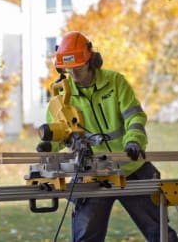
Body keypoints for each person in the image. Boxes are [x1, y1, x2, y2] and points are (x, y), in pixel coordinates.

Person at [41, 31, 178, 242]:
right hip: (92, 172)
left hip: (131, 167)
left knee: (160, 234)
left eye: (78, 68)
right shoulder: (62, 98)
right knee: (86, 238)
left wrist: (134, 142)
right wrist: (46, 148)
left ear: (90, 60)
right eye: (70, 70)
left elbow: (135, 117)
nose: (74, 75)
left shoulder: (115, 82)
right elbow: (58, 135)